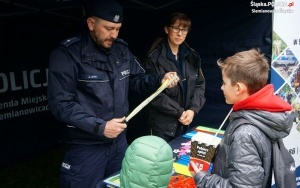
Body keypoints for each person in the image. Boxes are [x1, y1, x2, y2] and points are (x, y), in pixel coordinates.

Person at [47, 0, 179, 187]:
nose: (114, 35)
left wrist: (159, 80)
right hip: (87, 147)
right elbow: (60, 104)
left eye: (118, 29)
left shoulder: (121, 49)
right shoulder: (68, 54)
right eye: (109, 28)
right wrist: (100, 127)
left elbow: (137, 80)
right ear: (91, 24)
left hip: (119, 144)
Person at [189, 48, 294, 187]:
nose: (221, 88)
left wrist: (202, 179)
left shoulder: (244, 134)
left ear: (238, 88)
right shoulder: (261, 114)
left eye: (224, 83)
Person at [142, 12, 206, 142]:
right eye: (176, 28)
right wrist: (179, 112)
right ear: (166, 29)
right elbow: (152, 93)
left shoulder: (192, 56)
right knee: (160, 159)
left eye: (184, 29)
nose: (180, 33)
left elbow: (200, 84)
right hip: (162, 125)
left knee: (179, 159)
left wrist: (193, 110)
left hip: (184, 121)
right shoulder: (154, 57)